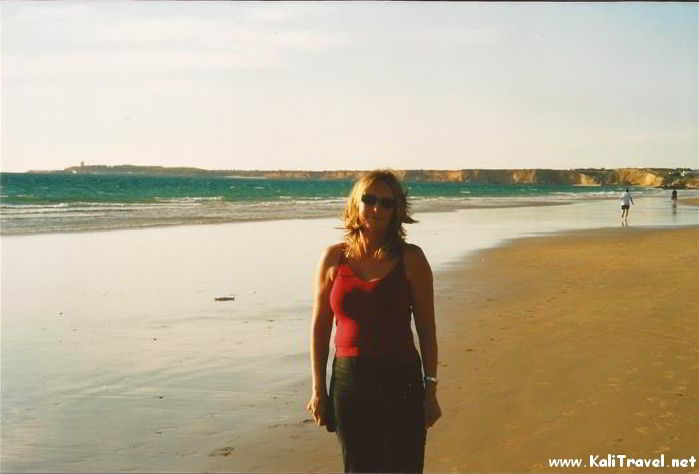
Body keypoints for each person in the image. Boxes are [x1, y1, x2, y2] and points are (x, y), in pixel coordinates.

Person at [307, 170, 441, 473]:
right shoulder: (332, 258)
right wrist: (318, 389)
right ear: (356, 202)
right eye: (369, 200)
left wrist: (430, 389)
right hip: (350, 381)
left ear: (397, 210)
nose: (377, 209)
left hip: (401, 381)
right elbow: (320, 327)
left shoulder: (412, 259)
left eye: (387, 203)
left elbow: (427, 330)